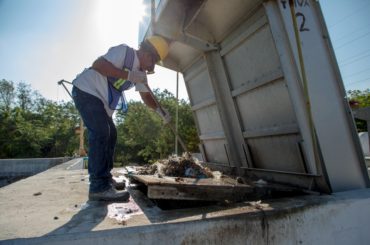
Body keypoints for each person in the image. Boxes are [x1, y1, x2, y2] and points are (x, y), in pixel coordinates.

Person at [72, 35, 171, 201]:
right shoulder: (124, 52)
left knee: (112, 134)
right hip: (86, 90)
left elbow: (146, 97)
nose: (150, 68)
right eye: (152, 63)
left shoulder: (140, 73)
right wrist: (128, 75)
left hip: (101, 102)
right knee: (101, 132)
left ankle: (105, 179)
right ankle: (98, 187)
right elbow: (98, 65)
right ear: (149, 54)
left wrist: (161, 111)